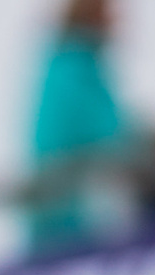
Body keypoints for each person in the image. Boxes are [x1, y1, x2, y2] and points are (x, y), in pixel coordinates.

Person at [27, 0, 132, 253]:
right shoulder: (75, 68)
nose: (118, 22)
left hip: (74, 215)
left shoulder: (70, 63)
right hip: (68, 223)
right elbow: (109, 135)